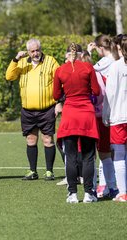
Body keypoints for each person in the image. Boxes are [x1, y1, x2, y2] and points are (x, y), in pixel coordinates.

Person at [5, 38, 61, 181]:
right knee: (30, 139)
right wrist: (15, 59)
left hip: (47, 108)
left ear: (41, 49)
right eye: (32, 51)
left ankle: (49, 171)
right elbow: (9, 76)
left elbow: (60, 81)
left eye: (38, 50)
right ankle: (32, 171)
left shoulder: (51, 61)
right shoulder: (22, 62)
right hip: (28, 110)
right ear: (28, 52)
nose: (36, 53)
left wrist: (59, 102)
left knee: (48, 140)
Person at [53, 43, 100, 203]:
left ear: (67, 54)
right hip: (86, 113)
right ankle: (88, 193)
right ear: (80, 54)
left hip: (70, 114)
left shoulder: (60, 70)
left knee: (71, 156)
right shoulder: (87, 67)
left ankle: (72, 193)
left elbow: (55, 94)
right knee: (88, 156)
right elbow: (97, 91)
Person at [87, 34, 119, 198]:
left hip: (102, 112)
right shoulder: (117, 60)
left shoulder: (105, 63)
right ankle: (109, 185)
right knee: (113, 151)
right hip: (116, 111)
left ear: (100, 48)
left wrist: (88, 53)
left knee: (103, 152)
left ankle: (108, 186)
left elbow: (88, 71)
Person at [104, 35, 127, 202]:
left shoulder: (115, 67)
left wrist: (106, 113)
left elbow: (110, 94)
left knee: (118, 155)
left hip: (119, 116)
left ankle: (123, 192)